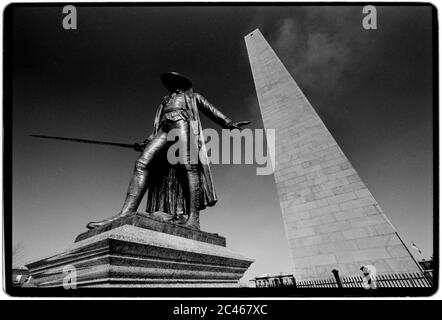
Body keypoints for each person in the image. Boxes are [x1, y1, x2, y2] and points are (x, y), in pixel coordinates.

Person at [86, 72, 249, 230]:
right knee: (142, 163)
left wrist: (228, 123)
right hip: (164, 129)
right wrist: (146, 142)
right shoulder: (165, 101)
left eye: (172, 82)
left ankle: (194, 219)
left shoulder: (191, 97)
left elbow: (210, 109)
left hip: (181, 124)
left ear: (180, 85)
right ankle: (126, 212)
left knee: (189, 166)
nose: (169, 85)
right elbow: (156, 126)